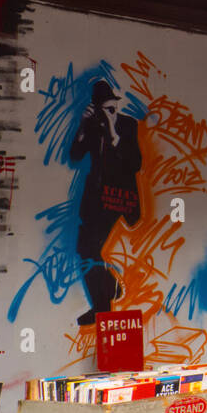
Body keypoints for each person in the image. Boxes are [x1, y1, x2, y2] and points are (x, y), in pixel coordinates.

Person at [69, 79, 142, 326]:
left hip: (119, 200)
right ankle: (107, 294)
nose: (112, 113)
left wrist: (113, 132)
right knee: (85, 250)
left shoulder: (128, 126)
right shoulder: (91, 126)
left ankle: (104, 306)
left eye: (114, 108)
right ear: (97, 108)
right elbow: (75, 155)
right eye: (106, 109)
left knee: (89, 249)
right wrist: (82, 125)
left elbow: (135, 164)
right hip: (96, 198)